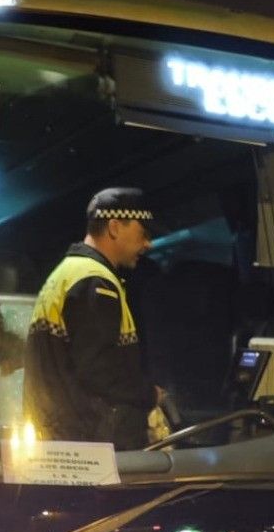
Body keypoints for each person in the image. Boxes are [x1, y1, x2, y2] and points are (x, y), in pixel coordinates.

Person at [23, 187, 169, 449]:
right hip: (89, 448)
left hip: (65, 439)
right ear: (114, 227)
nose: (149, 244)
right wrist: (149, 394)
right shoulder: (94, 281)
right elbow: (97, 369)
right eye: (143, 233)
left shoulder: (69, 273)